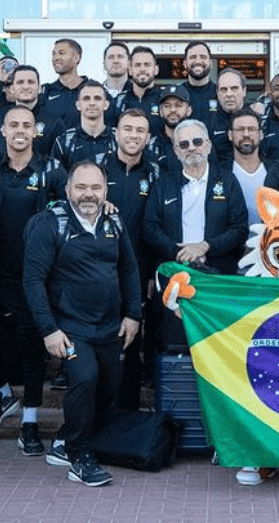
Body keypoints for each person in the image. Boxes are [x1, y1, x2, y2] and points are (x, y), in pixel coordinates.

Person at [22, 161, 142, 487]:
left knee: (110, 386)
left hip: (111, 326)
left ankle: (65, 439)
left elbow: (129, 268)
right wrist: (48, 329)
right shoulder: (50, 225)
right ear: (68, 190)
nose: (88, 194)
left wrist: (134, 314)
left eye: (95, 188)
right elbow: (33, 281)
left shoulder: (114, 221)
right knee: (85, 379)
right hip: (70, 326)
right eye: (81, 187)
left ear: (105, 190)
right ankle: (78, 454)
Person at [0, 106, 67, 454]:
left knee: (32, 350)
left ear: (35, 132)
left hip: (31, 278)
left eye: (26, 125)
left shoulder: (50, 169)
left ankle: (30, 422)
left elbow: (76, 196)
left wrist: (104, 205)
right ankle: (0, 394)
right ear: (2, 129)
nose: (19, 130)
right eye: (13, 124)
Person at [99, 108, 162, 409]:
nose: (133, 135)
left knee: (132, 342)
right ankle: (101, 415)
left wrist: (151, 274)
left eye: (140, 130)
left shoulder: (157, 173)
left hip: (139, 272)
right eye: (128, 129)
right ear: (116, 133)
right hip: (99, 272)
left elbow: (159, 226)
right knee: (103, 342)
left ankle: (129, 415)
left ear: (148, 137)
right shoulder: (96, 170)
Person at [143, 120, 249, 275]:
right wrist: (179, 252)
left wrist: (206, 246)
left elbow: (239, 229)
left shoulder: (228, 181)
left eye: (197, 142)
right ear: (176, 151)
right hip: (175, 272)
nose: (191, 148)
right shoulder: (163, 184)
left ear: (208, 145)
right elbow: (149, 228)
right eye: (184, 144)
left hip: (219, 275)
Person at [0, 64, 60, 160]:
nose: (25, 86)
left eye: (31, 82)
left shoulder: (54, 122)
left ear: (39, 88)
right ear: (12, 88)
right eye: (20, 82)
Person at [55, 80, 117, 170]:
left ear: (106, 104)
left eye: (97, 98)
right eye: (86, 98)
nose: (92, 103)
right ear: (78, 105)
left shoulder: (119, 138)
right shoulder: (64, 142)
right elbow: (58, 180)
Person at [229, 108, 268, 226]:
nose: (246, 134)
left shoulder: (276, 171)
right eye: (240, 129)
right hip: (231, 244)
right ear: (230, 135)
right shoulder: (219, 173)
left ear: (260, 134)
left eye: (251, 129)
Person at [113, 46, 164, 134]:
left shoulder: (165, 100)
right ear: (130, 70)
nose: (142, 69)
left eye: (147, 65)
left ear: (156, 70)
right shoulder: (119, 102)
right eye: (137, 65)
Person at [41, 37, 89, 127]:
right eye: (53, 54)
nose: (56, 58)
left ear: (76, 57)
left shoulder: (92, 90)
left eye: (61, 53)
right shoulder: (46, 91)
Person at [206, 68, 247, 165]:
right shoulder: (208, 123)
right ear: (217, 93)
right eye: (224, 89)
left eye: (234, 88)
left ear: (244, 90)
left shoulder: (256, 119)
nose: (229, 94)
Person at [181, 41, 218, 119]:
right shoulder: (177, 94)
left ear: (210, 63)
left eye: (203, 57)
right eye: (193, 57)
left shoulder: (220, 93)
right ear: (185, 63)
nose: (198, 61)